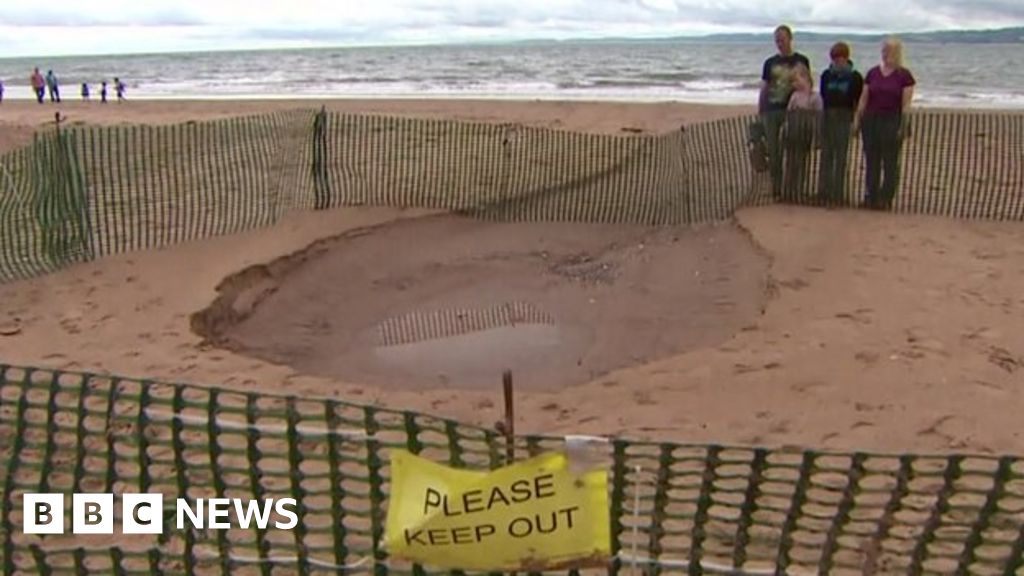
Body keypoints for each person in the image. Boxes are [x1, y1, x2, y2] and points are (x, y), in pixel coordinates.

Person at [854, 37, 916, 210]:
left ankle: (885, 198)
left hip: (892, 120)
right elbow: (863, 99)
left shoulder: (904, 75)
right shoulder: (873, 73)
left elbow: (906, 104)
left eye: (889, 50)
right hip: (871, 120)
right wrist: (858, 120)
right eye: (883, 50)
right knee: (872, 161)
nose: (885, 54)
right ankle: (870, 196)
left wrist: (903, 125)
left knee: (890, 162)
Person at [759, 25, 811, 199]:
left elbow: (807, 87)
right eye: (777, 40)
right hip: (772, 111)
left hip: (796, 112)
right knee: (774, 152)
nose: (779, 43)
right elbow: (764, 88)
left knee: (796, 151)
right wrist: (761, 111)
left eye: (782, 39)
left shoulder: (802, 61)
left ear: (790, 38)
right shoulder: (769, 63)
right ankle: (777, 189)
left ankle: (794, 189)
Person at [818, 42, 864, 206]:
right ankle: (823, 192)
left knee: (841, 157)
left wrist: (856, 121)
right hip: (828, 116)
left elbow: (858, 101)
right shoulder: (826, 75)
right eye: (835, 58)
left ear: (846, 58)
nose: (837, 62)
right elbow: (823, 96)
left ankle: (837, 194)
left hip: (845, 117)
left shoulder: (855, 77)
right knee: (826, 155)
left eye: (840, 58)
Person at [781, 64, 822, 201]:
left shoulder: (815, 97)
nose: (794, 84)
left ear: (805, 77)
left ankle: (798, 190)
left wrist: (817, 137)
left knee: (802, 163)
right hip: (793, 132)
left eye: (796, 80)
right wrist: (785, 129)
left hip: (806, 134)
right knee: (790, 162)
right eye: (792, 81)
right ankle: (788, 191)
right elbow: (788, 114)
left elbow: (819, 119)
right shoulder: (794, 96)